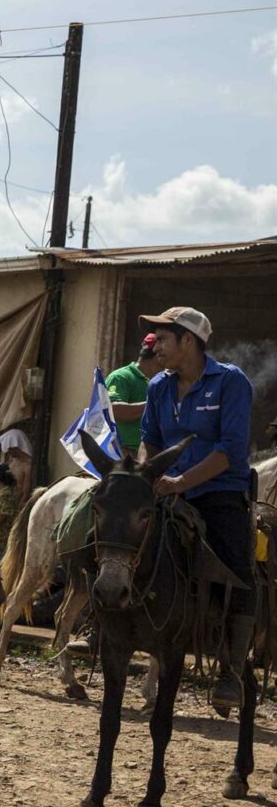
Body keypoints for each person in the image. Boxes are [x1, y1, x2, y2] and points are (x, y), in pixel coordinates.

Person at [138, 305, 255, 712]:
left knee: (239, 573)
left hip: (220, 493)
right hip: (170, 491)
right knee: (121, 538)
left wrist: (182, 483)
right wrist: (155, 477)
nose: (155, 347)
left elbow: (231, 450)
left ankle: (232, 671)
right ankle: (99, 627)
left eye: (163, 339)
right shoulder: (158, 388)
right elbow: (151, 439)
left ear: (188, 341)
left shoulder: (230, 382)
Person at [107, 334, 160, 459]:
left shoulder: (161, 382)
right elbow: (114, 411)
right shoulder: (121, 377)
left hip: (150, 455)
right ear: (157, 356)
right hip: (125, 456)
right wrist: (154, 404)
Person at [0, 424, 34, 498]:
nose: (8, 452)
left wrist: (21, 502)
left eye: (10, 449)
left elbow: (26, 488)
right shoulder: (13, 461)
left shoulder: (28, 465)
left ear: (15, 446)